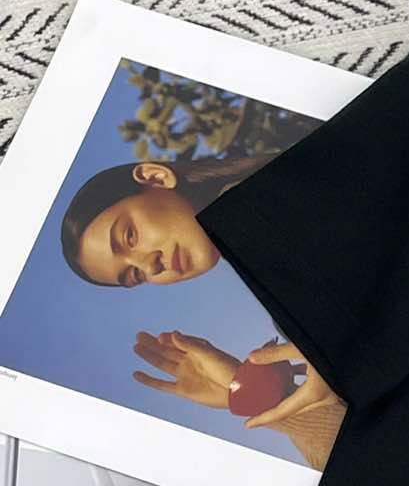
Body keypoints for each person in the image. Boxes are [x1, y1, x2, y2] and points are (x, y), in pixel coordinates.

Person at [59, 153, 343, 467]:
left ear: (156, 178)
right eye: (135, 275)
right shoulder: (275, 282)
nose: (150, 267)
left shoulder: (279, 207)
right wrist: (255, 392)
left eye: (129, 236)